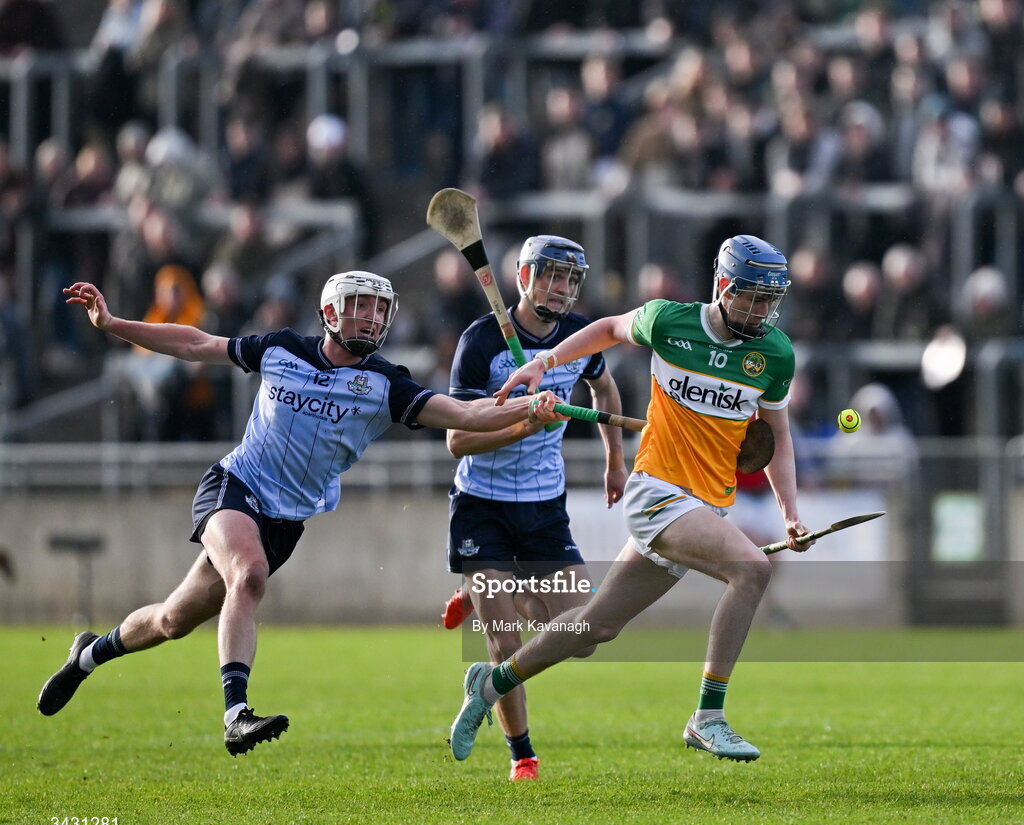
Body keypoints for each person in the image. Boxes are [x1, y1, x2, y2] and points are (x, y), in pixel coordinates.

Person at [38, 272, 559, 756]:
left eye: (381, 311)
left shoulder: (388, 384)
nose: (373, 320)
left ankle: (88, 654)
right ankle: (236, 714)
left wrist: (526, 407)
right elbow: (196, 344)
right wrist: (112, 324)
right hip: (235, 487)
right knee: (249, 575)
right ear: (330, 312)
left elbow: (467, 413)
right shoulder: (281, 348)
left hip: (285, 523)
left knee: (173, 620)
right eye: (361, 308)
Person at [448, 235, 813, 764]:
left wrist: (791, 514)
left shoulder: (774, 354)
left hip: (706, 504)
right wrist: (542, 364)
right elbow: (607, 329)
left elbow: (775, 440)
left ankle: (491, 683)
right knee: (752, 570)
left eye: (768, 300)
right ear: (725, 286)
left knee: (596, 626)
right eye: (751, 297)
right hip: (657, 492)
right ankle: (708, 717)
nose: (760, 311)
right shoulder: (670, 320)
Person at [439, 235, 627, 781]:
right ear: (523, 277)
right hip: (482, 504)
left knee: (584, 635)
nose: (561, 288)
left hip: (545, 506)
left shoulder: (577, 338)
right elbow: (457, 440)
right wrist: (526, 420)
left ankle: (484, 593)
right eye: (550, 276)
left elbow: (605, 392)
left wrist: (614, 459)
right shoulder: (480, 343)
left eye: (570, 279)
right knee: (507, 643)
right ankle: (523, 756)